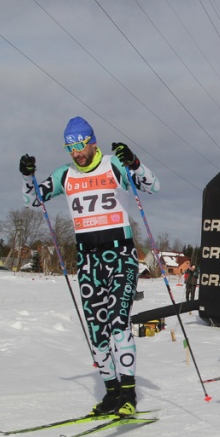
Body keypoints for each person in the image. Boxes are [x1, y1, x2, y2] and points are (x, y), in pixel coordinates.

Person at [18, 116, 159, 417]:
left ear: (92, 142)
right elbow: (33, 200)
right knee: (97, 331)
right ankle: (111, 393)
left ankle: (128, 394)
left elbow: (152, 185)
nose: (76, 153)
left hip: (120, 256)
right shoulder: (65, 174)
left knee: (119, 325)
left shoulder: (113, 165)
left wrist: (133, 162)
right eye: (70, 148)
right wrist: (27, 176)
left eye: (80, 145)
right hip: (88, 261)